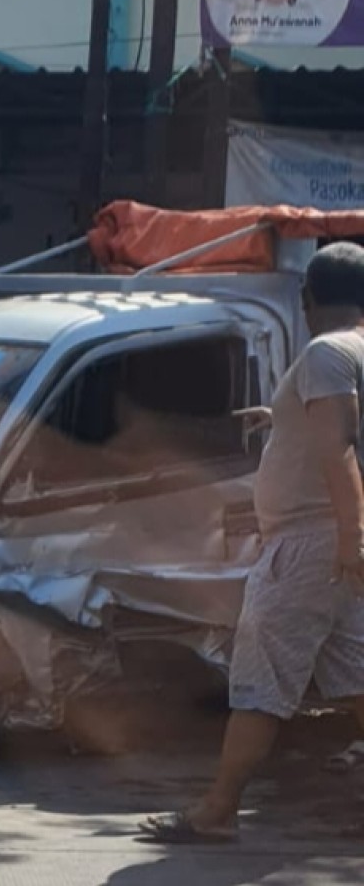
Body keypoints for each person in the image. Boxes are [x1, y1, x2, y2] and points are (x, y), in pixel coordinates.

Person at [141, 242, 364, 843]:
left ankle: (217, 810)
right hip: (338, 547)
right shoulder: (355, 357)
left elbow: (339, 446)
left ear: (308, 300)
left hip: (312, 547)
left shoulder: (326, 352)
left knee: (262, 682)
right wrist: (283, 418)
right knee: (358, 677)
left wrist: (350, 539)